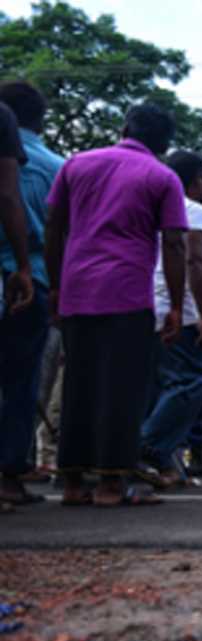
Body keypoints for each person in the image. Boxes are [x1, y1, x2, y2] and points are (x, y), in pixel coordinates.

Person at [43, 103, 187, 507]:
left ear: (124, 128)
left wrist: (56, 286)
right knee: (122, 390)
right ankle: (110, 485)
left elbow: (55, 227)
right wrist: (175, 306)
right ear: (163, 144)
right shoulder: (163, 176)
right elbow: (174, 244)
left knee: (79, 385)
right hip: (126, 293)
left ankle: (72, 483)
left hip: (77, 289)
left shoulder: (76, 164)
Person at [136, 150, 202, 488]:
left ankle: (163, 463)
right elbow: (196, 261)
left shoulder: (149, 208)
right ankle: (145, 447)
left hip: (148, 304)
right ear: (198, 180)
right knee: (193, 379)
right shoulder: (192, 209)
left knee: (161, 387)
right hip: (179, 308)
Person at [0, 83, 61, 508]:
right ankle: (8, 476)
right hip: (29, 277)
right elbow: (64, 236)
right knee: (20, 382)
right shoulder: (58, 168)